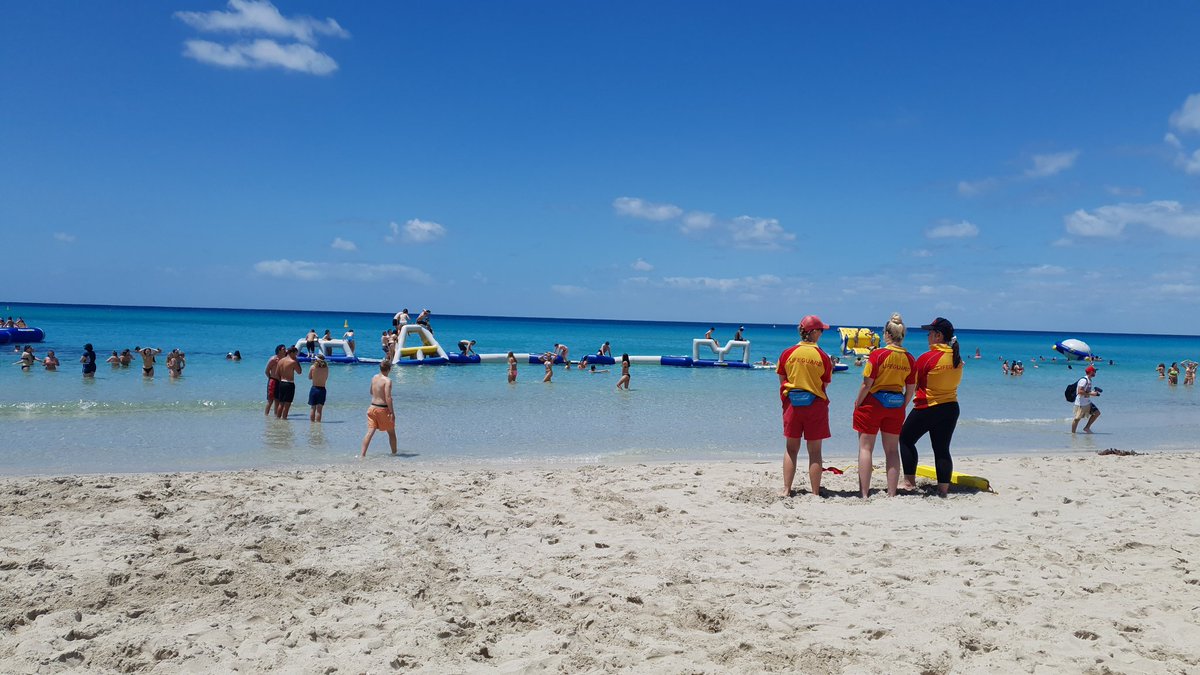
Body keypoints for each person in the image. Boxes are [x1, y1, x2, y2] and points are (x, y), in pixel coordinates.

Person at [852, 313, 916, 498]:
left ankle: (864, 493)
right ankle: (892, 493)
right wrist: (903, 405)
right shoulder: (910, 359)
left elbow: (867, 383)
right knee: (892, 450)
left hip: (873, 403)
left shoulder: (878, 354)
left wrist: (858, 402)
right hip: (895, 403)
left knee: (865, 448)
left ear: (887, 334)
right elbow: (910, 389)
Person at [899, 317, 964, 497]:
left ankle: (909, 483)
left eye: (930, 333)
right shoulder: (957, 358)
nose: (927, 336)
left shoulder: (927, 358)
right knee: (942, 448)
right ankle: (943, 489)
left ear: (938, 335)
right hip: (951, 407)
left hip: (928, 407)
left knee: (905, 439)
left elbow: (913, 384)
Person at [776, 315, 833, 497]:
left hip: (793, 403)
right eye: (821, 331)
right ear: (814, 332)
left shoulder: (787, 353)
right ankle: (815, 492)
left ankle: (786, 490)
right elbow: (825, 384)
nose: (822, 334)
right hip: (815, 404)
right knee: (815, 451)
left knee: (791, 449)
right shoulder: (822, 356)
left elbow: (782, 380)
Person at [360, 361, 398, 457]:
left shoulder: (374, 377)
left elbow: (371, 392)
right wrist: (392, 412)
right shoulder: (387, 380)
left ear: (380, 369)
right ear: (389, 369)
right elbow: (388, 397)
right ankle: (394, 454)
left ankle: (362, 455)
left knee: (370, 432)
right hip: (382, 409)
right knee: (391, 432)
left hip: (372, 407)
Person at [1072, 364, 1102, 433]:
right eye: (1094, 371)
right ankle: (1073, 434)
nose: (1095, 373)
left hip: (1087, 402)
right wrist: (1091, 394)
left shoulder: (1089, 380)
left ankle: (1086, 427)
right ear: (1091, 372)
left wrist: (1094, 392)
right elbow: (1080, 391)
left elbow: (1086, 391)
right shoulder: (1084, 380)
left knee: (1097, 413)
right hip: (1081, 403)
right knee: (1077, 419)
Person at [274, 347, 302, 419]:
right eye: (295, 354)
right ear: (291, 353)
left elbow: (276, 374)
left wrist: (281, 380)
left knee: (281, 403)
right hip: (289, 384)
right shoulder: (293, 362)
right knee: (287, 404)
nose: (296, 355)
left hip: (281, 383)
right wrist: (297, 361)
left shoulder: (280, 361)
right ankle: (284, 419)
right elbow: (299, 372)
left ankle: (278, 419)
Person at [308, 353, 329, 422]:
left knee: (313, 408)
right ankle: (318, 426)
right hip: (322, 389)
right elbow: (326, 378)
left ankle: (312, 425)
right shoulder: (326, 368)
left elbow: (309, 377)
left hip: (314, 389)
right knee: (319, 410)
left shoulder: (313, 367)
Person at [264, 344, 285, 416]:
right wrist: (271, 379)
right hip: (273, 381)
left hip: (280, 382)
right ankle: (266, 415)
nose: (285, 350)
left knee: (278, 400)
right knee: (270, 400)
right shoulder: (273, 359)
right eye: (283, 349)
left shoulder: (284, 360)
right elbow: (266, 371)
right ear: (279, 350)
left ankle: (276, 416)